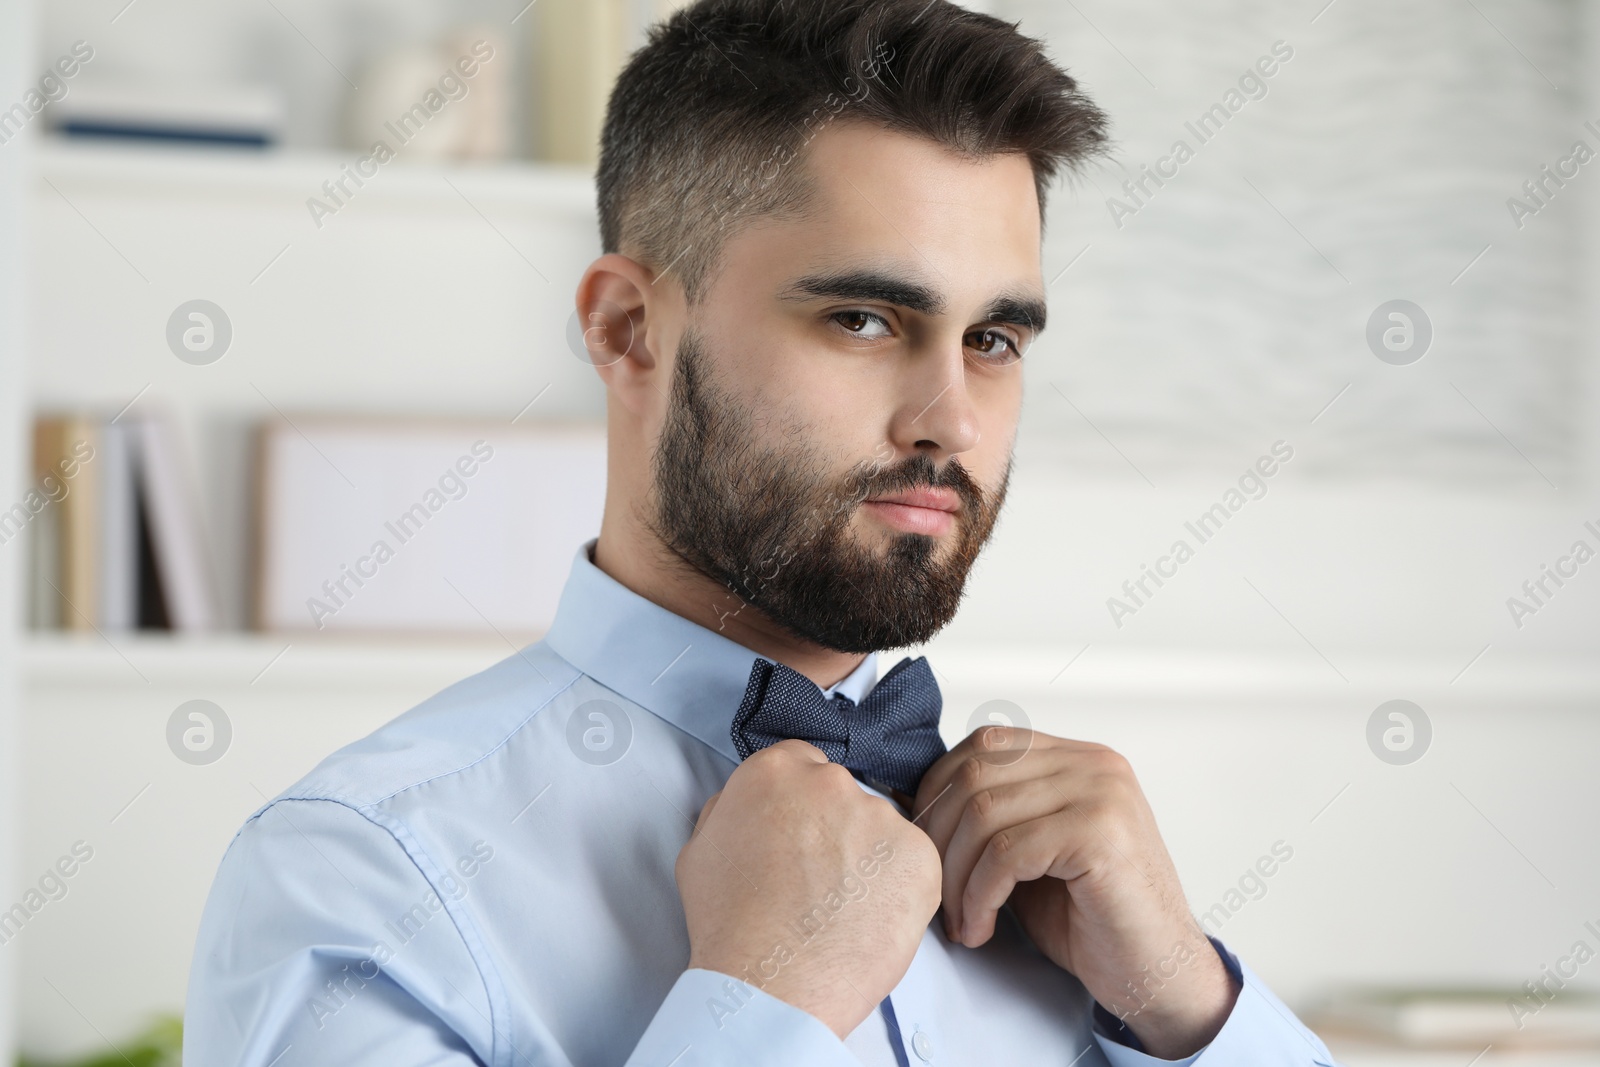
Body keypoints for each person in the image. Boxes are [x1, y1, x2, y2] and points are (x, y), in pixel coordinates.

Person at [185, 1, 1340, 1063]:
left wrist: (1191, 1004)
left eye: (994, 339)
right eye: (863, 317)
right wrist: (761, 1002)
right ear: (629, 327)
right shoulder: (358, 877)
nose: (949, 419)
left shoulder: (1089, 913)